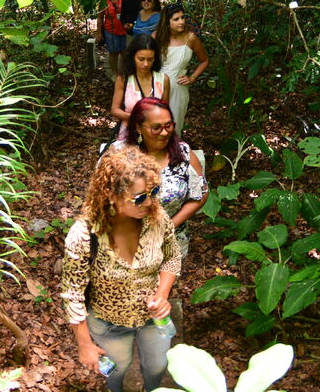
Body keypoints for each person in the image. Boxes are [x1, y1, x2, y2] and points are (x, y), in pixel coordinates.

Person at [61, 147, 181, 392]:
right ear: (110, 195)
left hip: (153, 317)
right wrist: (84, 345)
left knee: (158, 365)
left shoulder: (157, 218)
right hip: (109, 321)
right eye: (139, 198)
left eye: (154, 192)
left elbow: (172, 256)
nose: (149, 202)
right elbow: (73, 293)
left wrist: (163, 293)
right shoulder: (85, 234)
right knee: (118, 368)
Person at [116, 97, 208, 258]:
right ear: (138, 127)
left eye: (168, 125)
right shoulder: (119, 154)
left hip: (169, 243)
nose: (165, 132)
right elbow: (100, 196)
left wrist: (168, 227)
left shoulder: (184, 154)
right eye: (156, 127)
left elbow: (201, 193)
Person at [155, 2, 209, 140]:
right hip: (157, 84)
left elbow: (205, 60)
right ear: (167, 22)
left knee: (175, 123)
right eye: (176, 19)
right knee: (155, 123)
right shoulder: (157, 36)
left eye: (183, 17)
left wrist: (193, 77)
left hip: (179, 87)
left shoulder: (190, 38)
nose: (182, 21)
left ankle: (174, 155)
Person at [111, 34, 170, 141]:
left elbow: (166, 112)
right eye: (141, 59)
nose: (146, 64)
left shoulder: (163, 80)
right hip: (128, 134)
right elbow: (115, 109)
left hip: (155, 136)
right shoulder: (124, 79)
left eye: (150, 59)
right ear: (133, 57)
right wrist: (135, 118)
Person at [96, 0, 127, 81]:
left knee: (125, 53)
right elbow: (100, 17)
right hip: (110, 31)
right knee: (113, 53)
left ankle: (124, 73)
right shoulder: (103, 1)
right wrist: (99, 33)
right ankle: (115, 73)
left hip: (125, 31)